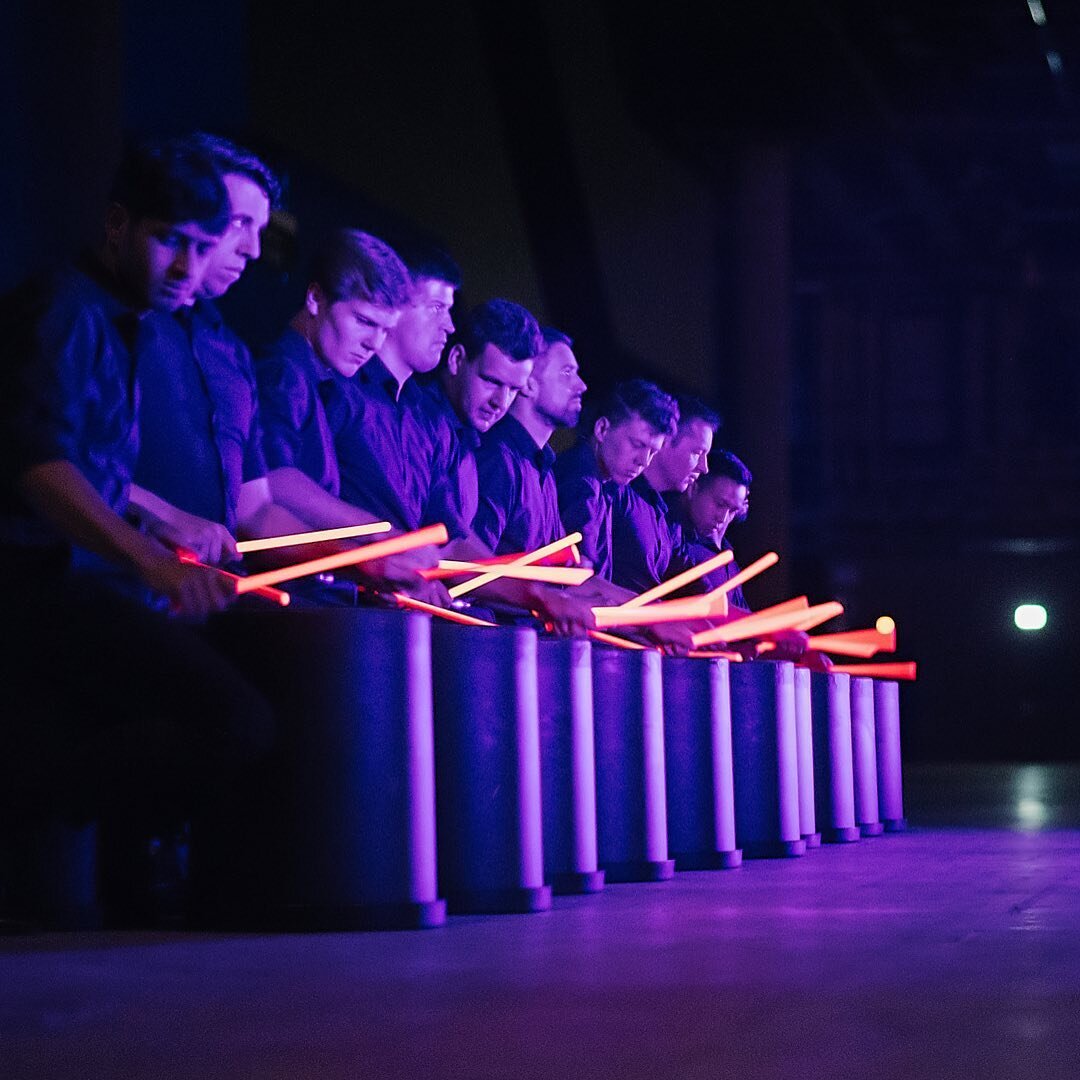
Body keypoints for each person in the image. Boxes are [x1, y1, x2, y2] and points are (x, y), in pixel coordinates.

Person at [0, 139, 273, 925]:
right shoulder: (61, 308)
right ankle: (30, 792)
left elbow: (89, 461)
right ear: (117, 225)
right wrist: (148, 558)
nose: (187, 269)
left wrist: (166, 517)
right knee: (236, 721)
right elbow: (34, 459)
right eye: (169, 241)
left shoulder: (122, 321)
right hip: (34, 586)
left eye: (201, 248)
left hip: (72, 584)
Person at [132, 133, 316, 561]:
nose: (253, 250)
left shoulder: (231, 353)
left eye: (260, 231)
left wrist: (363, 556)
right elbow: (64, 460)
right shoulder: (118, 321)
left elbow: (256, 512)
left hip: (213, 599)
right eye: (240, 224)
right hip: (119, 591)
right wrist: (165, 516)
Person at [255, 228, 445, 599]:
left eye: (384, 329)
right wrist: (380, 534)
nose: (374, 343)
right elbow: (273, 479)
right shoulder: (283, 373)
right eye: (364, 321)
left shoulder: (321, 382)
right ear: (315, 298)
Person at [471, 325, 585, 555]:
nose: (581, 385)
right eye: (566, 373)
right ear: (528, 383)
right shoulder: (498, 459)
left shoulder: (544, 470)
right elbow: (471, 568)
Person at [609, 394, 721, 595]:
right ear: (665, 441)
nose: (704, 468)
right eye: (697, 452)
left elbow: (695, 587)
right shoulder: (617, 494)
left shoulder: (668, 516)